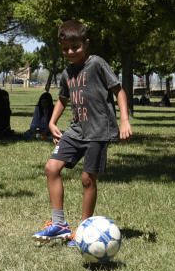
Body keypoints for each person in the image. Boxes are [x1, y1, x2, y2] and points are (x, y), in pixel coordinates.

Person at [32, 20, 132, 245]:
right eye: (65, 48)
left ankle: (84, 229)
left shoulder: (96, 64)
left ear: (86, 44)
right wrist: (52, 121)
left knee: (87, 179)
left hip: (98, 131)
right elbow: (63, 99)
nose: (70, 52)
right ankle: (59, 224)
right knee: (51, 167)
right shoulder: (67, 73)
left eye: (75, 47)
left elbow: (119, 91)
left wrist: (124, 121)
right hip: (76, 130)